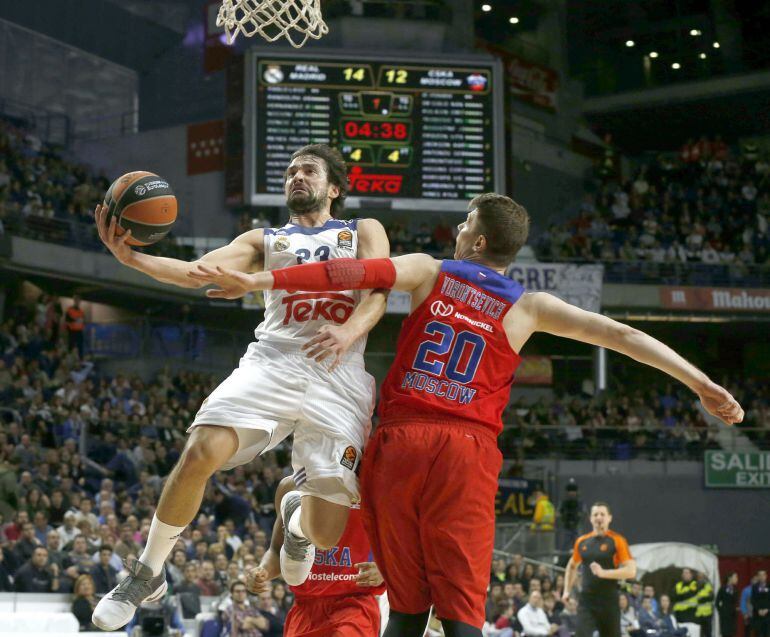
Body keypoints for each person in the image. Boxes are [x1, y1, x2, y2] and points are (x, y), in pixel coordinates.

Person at [190, 192, 743, 637]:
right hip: (465, 449)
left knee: (404, 610)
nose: (456, 229)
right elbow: (620, 335)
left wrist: (260, 281)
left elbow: (349, 273)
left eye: (464, 222)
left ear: (476, 239)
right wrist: (700, 382)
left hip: (401, 441)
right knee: (459, 616)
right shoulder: (529, 306)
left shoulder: (429, 270)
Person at [91, 144, 390, 630]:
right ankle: (147, 572)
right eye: (290, 171)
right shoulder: (263, 239)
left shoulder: (363, 231)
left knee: (326, 534)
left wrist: (351, 330)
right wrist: (131, 260)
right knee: (200, 449)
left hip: (340, 372)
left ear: (333, 187)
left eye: (308, 170)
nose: (296, 177)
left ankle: (293, 518)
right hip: (273, 361)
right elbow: (198, 272)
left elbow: (378, 290)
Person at [246, 476, 385, 637]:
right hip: (306, 606)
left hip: (354, 602)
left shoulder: (374, 487)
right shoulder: (290, 486)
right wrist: (262, 571)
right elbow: (276, 551)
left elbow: (404, 547)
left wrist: (385, 571)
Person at [563, 503, 636, 637]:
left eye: (602, 514)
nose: (599, 517)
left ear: (609, 518)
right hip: (587, 601)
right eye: (595, 514)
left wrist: (604, 573)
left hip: (609, 601)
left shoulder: (617, 540)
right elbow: (572, 566)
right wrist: (566, 590)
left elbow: (631, 571)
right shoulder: (582, 541)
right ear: (591, 519)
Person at [717, 572, 739, 637]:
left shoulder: (735, 590)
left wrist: (736, 608)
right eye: (735, 577)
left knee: (732, 633)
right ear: (730, 578)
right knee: (725, 633)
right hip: (725, 616)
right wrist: (722, 611)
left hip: (733, 615)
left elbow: (735, 602)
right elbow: (717, 602)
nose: (737, 579)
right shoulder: (722, 589)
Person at [752, 570, 770, 637]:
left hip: (768, 615)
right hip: (757, 615)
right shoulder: (754, 587)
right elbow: (753, 600)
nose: (762, 577)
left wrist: (767, 609)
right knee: (759, 634)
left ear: (766, 576)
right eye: (760, 575)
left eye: (763, 575)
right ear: (758, 577)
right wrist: (758, 610)